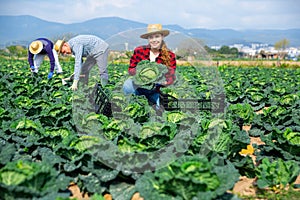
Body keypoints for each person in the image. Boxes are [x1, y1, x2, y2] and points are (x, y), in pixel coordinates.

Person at [123, 24, 176, 108]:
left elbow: (171, 76)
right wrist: (141, 71)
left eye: (157, 36)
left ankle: (152, 103)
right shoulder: (139, 51)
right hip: (138, 87)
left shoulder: (170, 55)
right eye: (151, 37)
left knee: (157, 113)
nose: (154, 40)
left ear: (162, 37)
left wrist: (165, 82)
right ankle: (131, 104)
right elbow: (131, 69)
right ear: (148, 39)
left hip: (155, 89)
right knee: (127, 84)